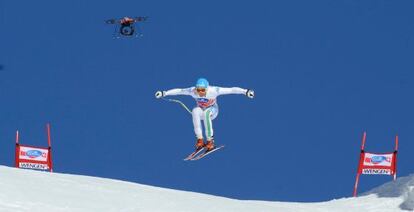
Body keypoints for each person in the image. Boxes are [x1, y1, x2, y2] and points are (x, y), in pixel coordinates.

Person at [155, 78, 254, 152]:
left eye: (203, 90)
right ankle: (200, 140)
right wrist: (164, 93)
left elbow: (231, 90)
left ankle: (210, 141)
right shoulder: (193, 91)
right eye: (199, 90)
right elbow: (179, 91)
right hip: (201, 111)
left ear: (207, 89)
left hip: (212, 111)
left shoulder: (214, 90)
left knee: (206, 113)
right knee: (195, 111)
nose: (200, 92)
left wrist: (245, 92)